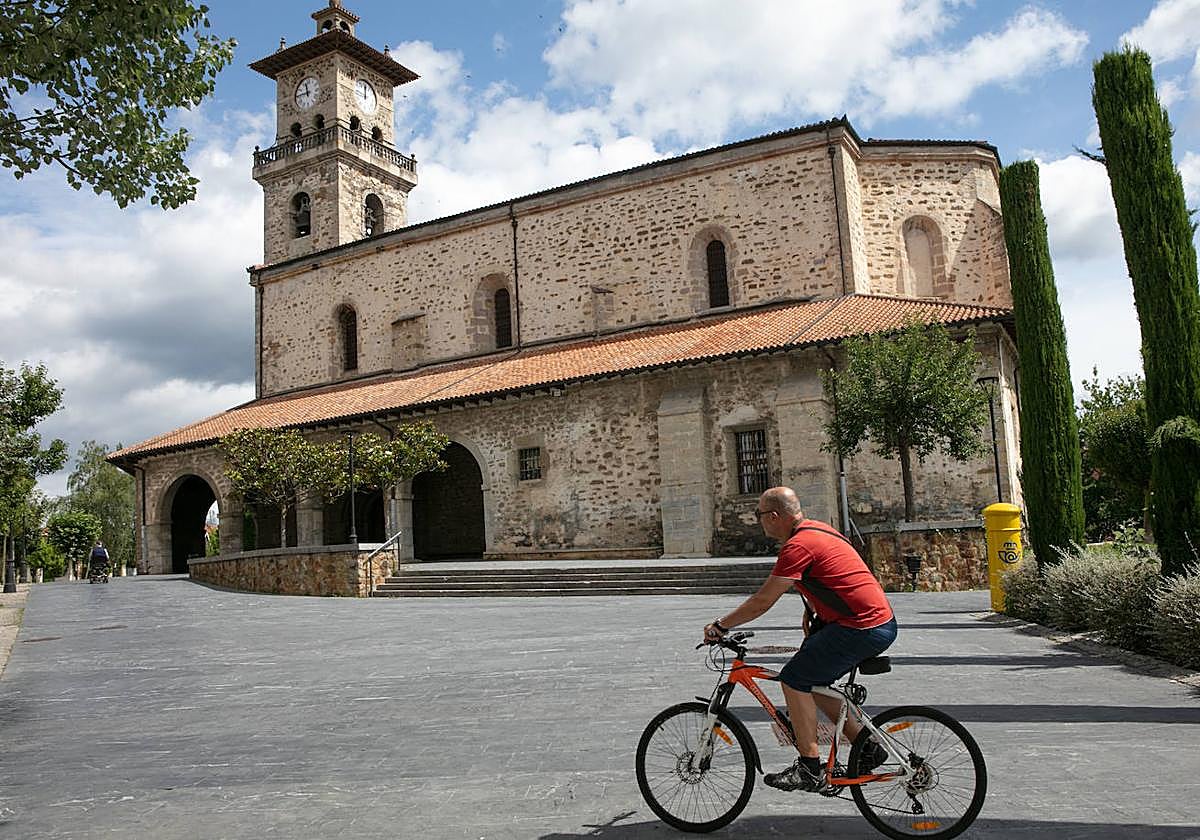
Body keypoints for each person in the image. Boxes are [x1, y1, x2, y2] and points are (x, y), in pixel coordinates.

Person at [702, 486, 897, 793]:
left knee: (794, 679)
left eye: (760, 515)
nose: (759, 521)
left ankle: (810, 767)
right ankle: (867, 746)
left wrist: (720, 625)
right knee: (815, 683)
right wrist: (818, 613)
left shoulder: (798, 546)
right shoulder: (820, 530)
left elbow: (762, 601)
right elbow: (837, 578)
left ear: (775, 516)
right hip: (871, 621)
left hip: (861, 626)